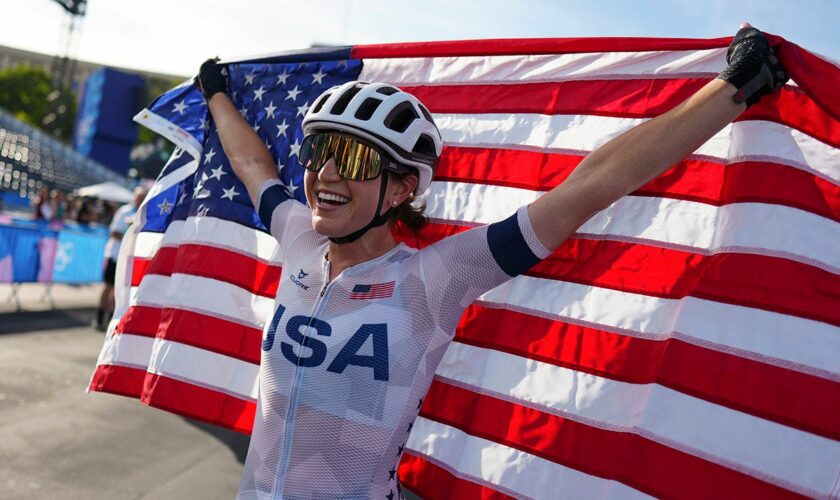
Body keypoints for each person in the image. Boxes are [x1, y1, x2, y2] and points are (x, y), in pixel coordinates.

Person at [198, 25, 786, 500]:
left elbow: (590, 188)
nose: (325, 174)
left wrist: (732, 88)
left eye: (350, 157)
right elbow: (253, 166)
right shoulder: (299, 236)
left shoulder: (434, 277)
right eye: (319, 150)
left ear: (402, 189)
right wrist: (216, 92)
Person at [94, 186, 147, 331]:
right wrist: (129, 235)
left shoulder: (144, 213)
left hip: (127, 258)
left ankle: (111, 319)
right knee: (108, 287)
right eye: (139, 197)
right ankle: (99, 317)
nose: (141, 200)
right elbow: (114, 232)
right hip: (116, 255)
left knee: (119, 290)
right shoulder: (124, 211)